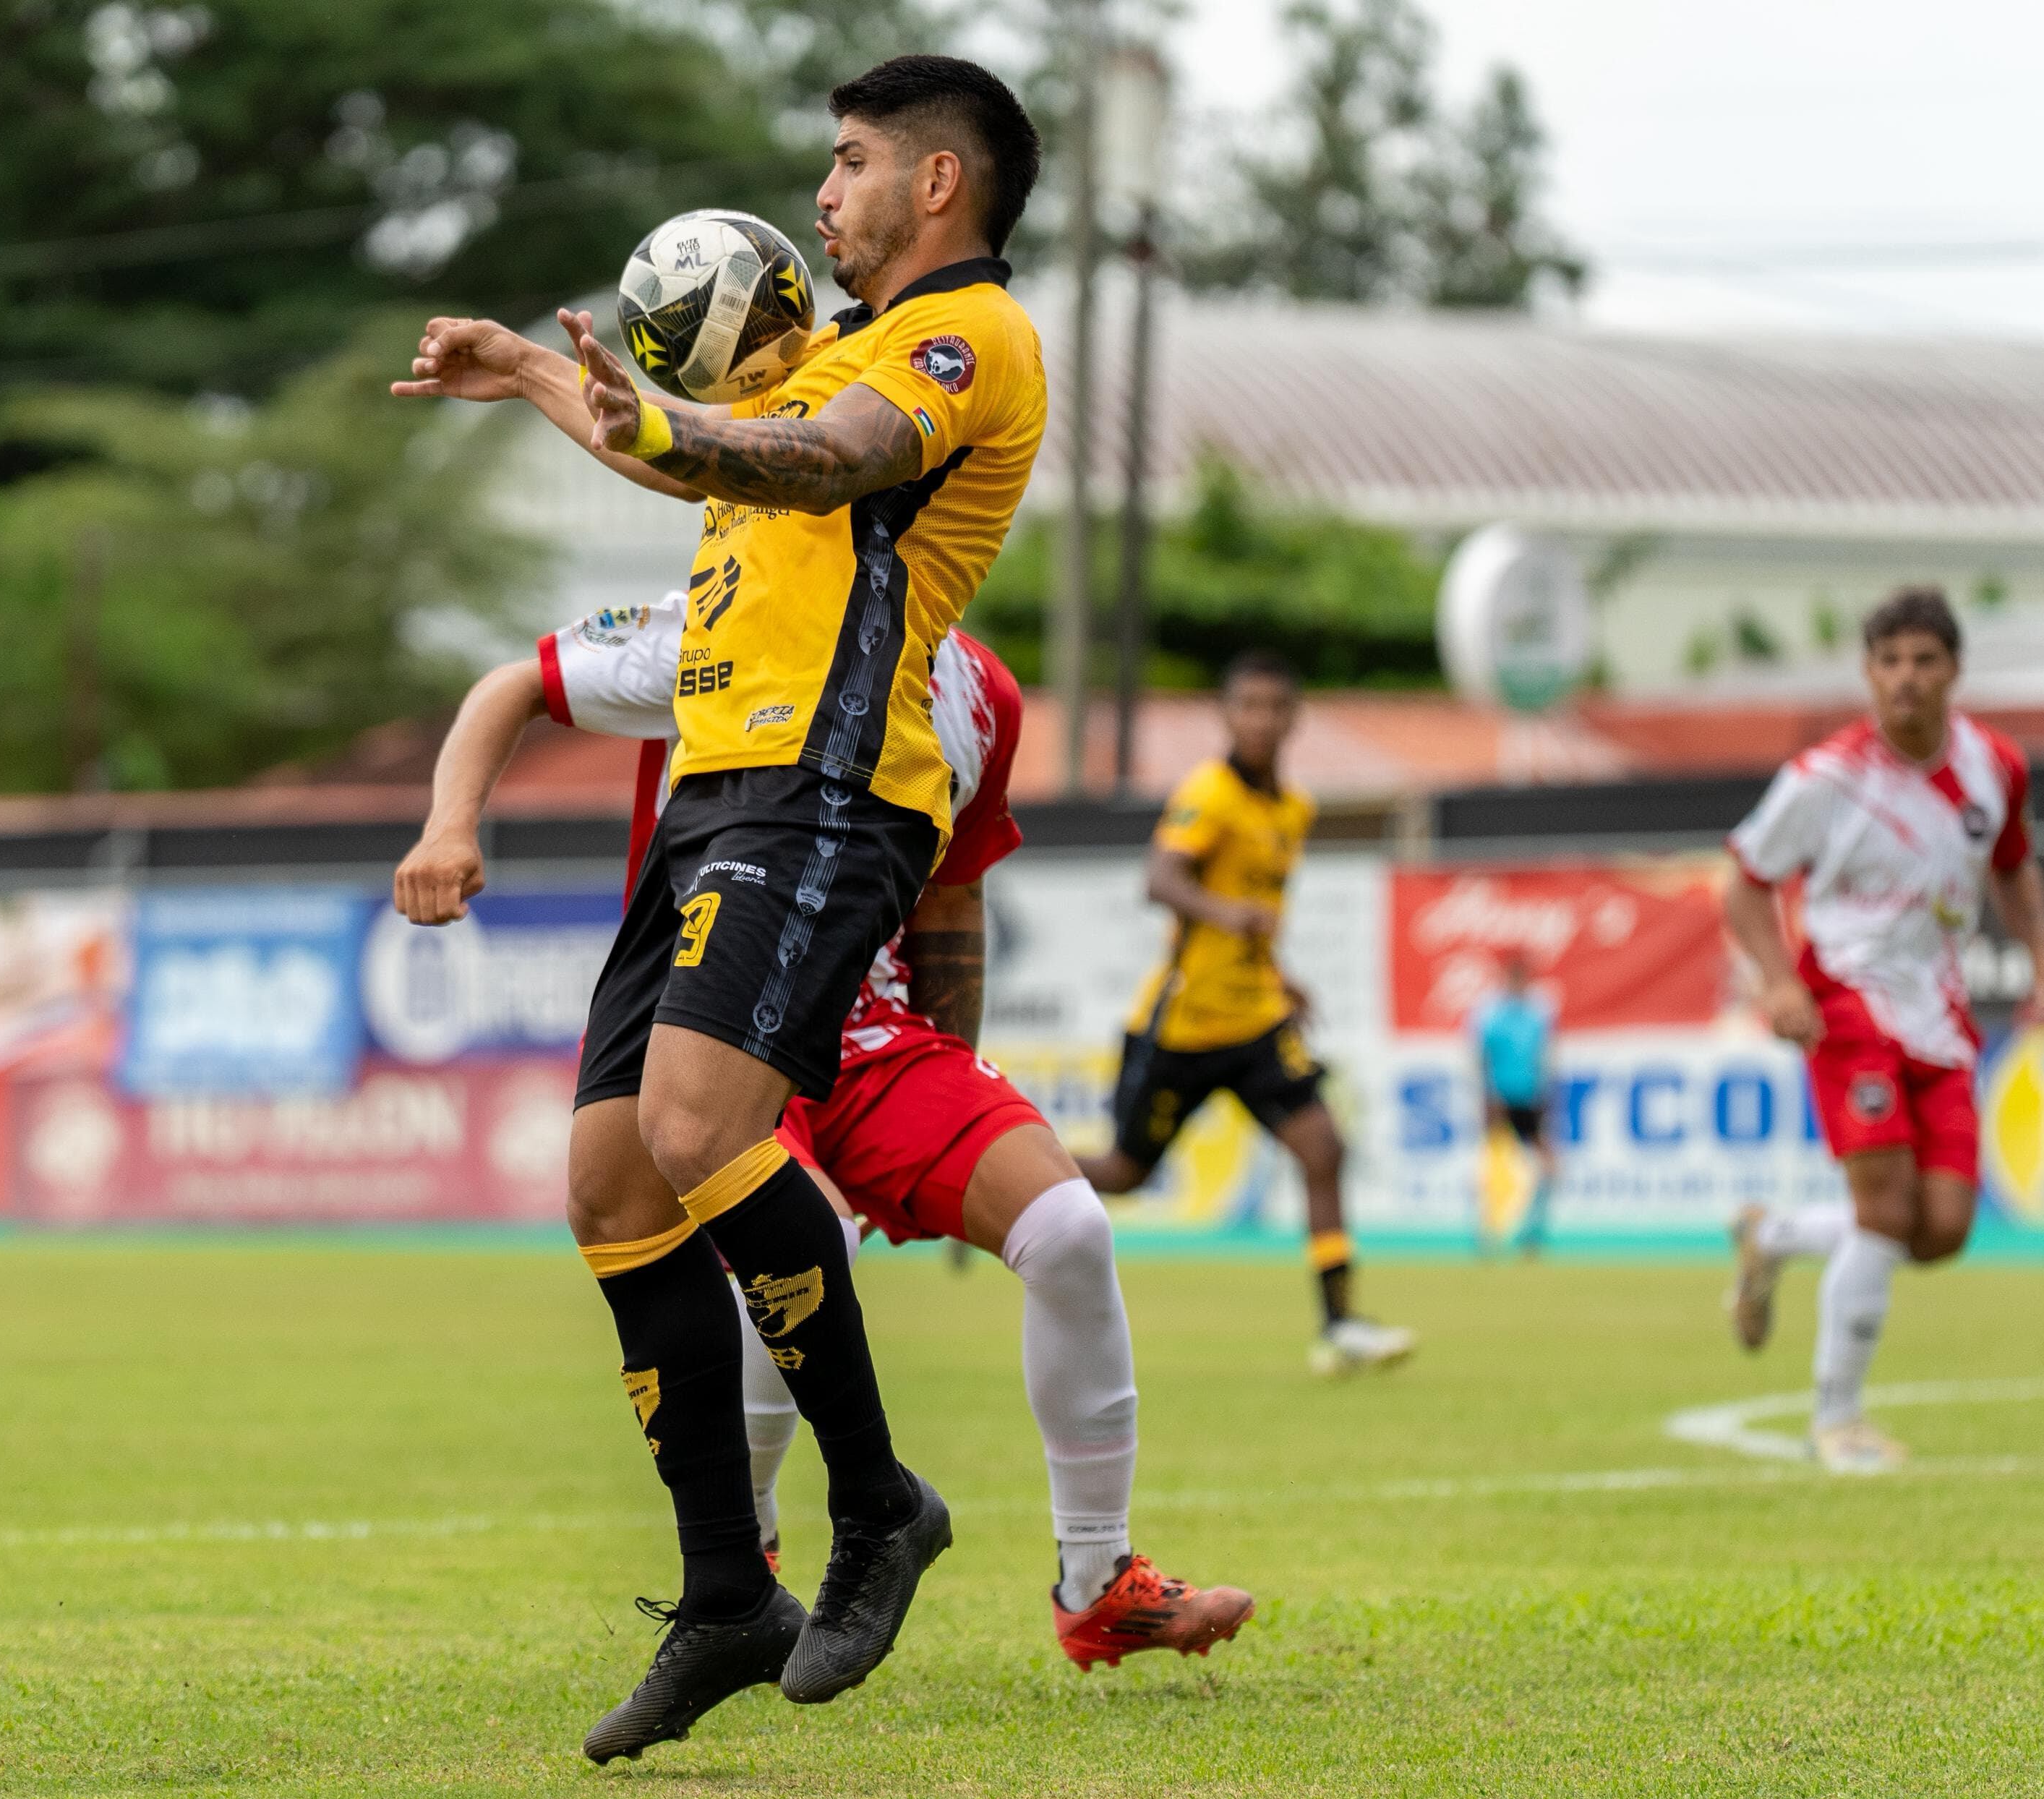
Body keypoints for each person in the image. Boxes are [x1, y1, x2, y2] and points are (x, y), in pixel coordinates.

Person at [390, 56, 1046, 1758]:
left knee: (697, 1125)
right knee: (612, 1180)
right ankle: (725, 1592)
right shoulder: (834, 343)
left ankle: (880, 1500)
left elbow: (827, 461)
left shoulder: (960, 343)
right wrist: (541, 372)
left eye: (845, 166)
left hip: (825, 793)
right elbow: (725, 460)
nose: (820, 196)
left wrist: (661, 417)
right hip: (712, 793)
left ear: (936, 187)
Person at [398, 597, 1255, 1689]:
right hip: (718, 1026)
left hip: (873, 1035)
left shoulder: (981, 693)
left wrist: (949, 1102)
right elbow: (515, 682)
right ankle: (744, 1561)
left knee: (1071, 1228)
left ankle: (1099, 1586)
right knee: (806, 1244)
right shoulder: (736, 615)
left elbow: (952, 897)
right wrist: (447, 826)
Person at [1722, 587, 2044, 1474]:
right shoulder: (1826, 777)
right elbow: (1744, 883)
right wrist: (1776, 981)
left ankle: (1772, 1235)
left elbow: (2013, 866)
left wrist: (2042, 959)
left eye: (1922, 661)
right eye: (1887, 662)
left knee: (1942, 1227)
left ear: (1953, 669)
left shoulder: (1994, 764)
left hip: (1936, 1011)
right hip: (1843, 998)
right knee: (1883, 1210)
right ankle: (1836, 1420)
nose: (1904, 679)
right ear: (1867, 674)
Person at [1074, 656, 1414, 1377]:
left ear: (1293, 718)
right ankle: (985, 1176)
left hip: (1255, 1020)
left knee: (1323, 1148)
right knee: (1124, 1171)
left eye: (1273, 706)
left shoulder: (1291, 809)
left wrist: (1281, 977)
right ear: (1226, 715)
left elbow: (1258, 914)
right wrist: (1224, 912)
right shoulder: (1209, 792)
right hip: (1183, 1025)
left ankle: (1342, 1323)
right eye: (1247, 705)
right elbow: (1159, 877)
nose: (1260, 718)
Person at [1469, 950, 1558, 1257]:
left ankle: (1532, 1232)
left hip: (1530, 1099)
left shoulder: (1538, 1014)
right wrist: (1485, 1095)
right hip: (1500, 1100)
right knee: (1494, 1166)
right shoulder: (1491, 1013)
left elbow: (1545, 1057)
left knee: (1548, 1167)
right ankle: (1489, 1233)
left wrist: (1547, 1094)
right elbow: (1481, 1057)